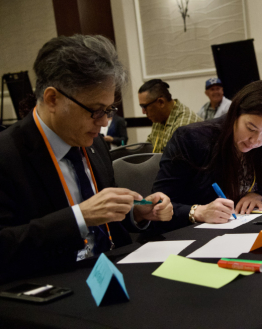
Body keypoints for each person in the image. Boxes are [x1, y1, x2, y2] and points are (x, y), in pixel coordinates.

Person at [0, 35, 174, 282]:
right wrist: (79, 217)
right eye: (95, 110)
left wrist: (137, 213)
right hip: (55, 284)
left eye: (109, 110)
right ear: (53, 99)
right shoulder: (8, 155)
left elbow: (105, 220)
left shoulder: (94, 145)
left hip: (116, 271)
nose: (104, 122)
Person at [152, 80, 262, 231]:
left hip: (238, 229)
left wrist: (258, 194)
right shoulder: (191, 139)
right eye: (250, 128)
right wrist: (198, 212)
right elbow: (157, 205)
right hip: (185, 235)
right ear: (235, 113)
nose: (255, 140)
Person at [139, 79, 202, 153]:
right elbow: (149, 145)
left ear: (161, 102)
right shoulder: (159, 117)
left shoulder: (184, 126)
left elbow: (176, 163)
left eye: (144, 106)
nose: (143, 112)